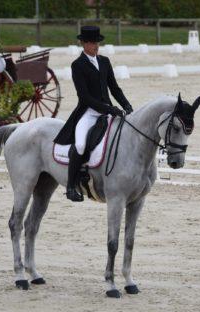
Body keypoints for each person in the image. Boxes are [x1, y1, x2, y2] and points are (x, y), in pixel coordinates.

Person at [53, 26, 133, 202]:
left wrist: (126, 104)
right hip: (88, 112)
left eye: (97, 42)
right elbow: (85, 97)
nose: (96, 45)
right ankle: (71, 186)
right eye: (92, 42)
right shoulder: (78, 65)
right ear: (83, 44)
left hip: (107, 111)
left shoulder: (104, 61)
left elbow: (114, 88)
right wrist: (110, 109)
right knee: (80, 145)